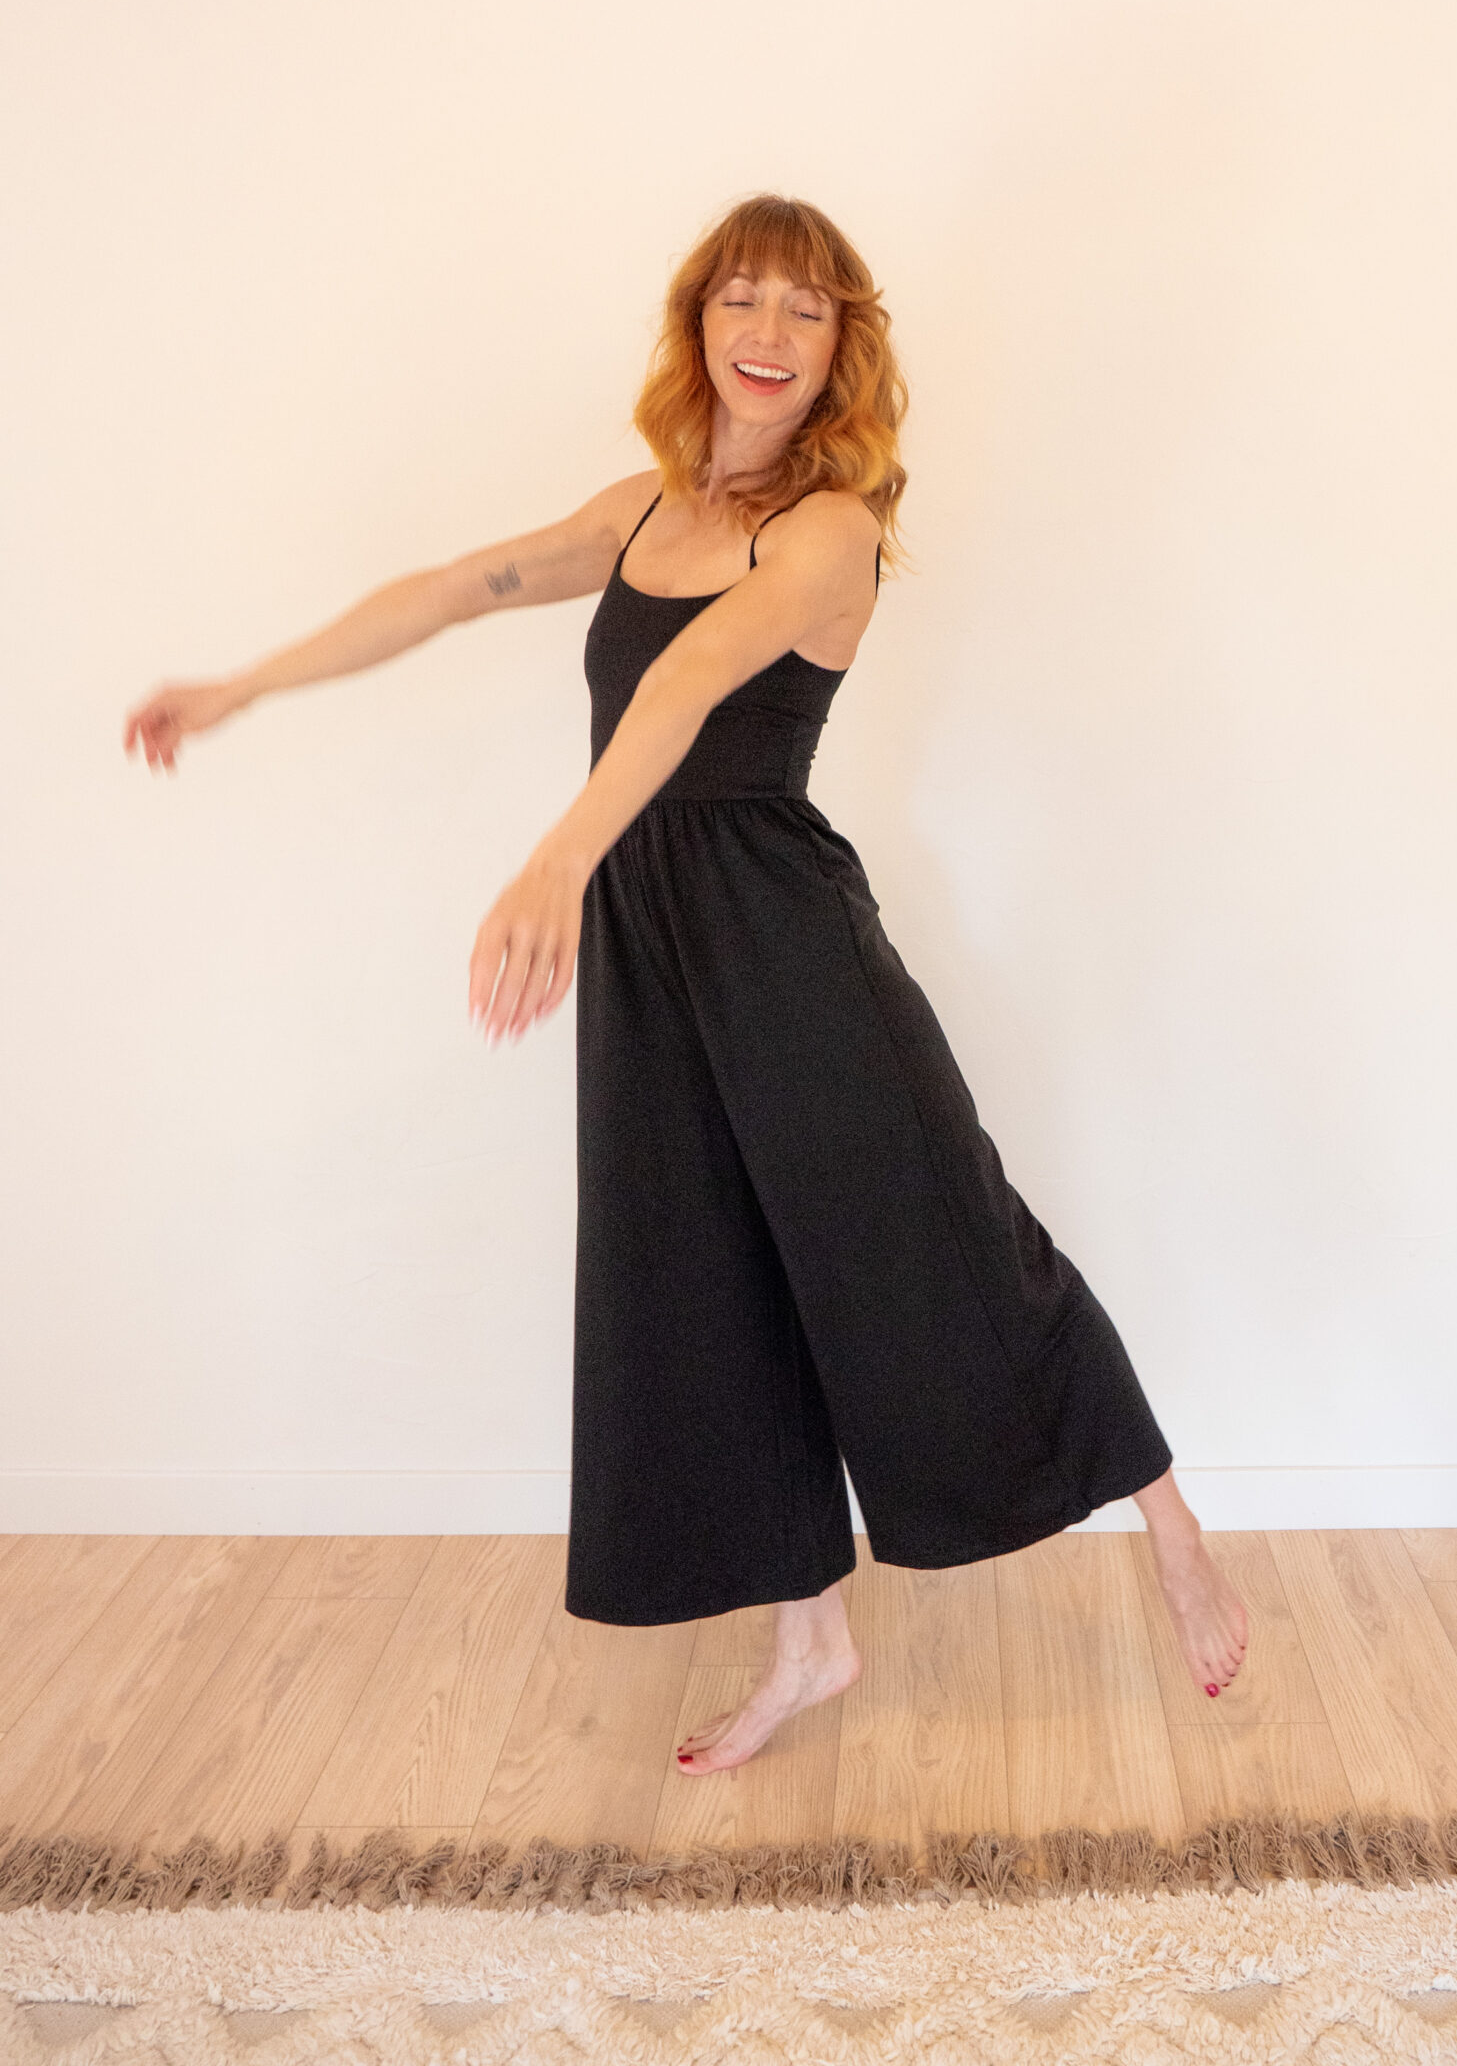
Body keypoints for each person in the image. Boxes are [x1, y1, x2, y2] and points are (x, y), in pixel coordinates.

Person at [124, 192, 1248, 1774]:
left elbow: (689, 680)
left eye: (805, 308)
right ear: (698, 326)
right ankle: (813, 1642)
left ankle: (1168, 1526)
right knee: (708, 1283)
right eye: (742, 301)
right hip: (656, 951)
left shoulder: (831, 528)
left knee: (937, 1231)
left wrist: (555, 861)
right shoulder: (643, 509)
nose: (770, 334)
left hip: (780, 935)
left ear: (842, 345)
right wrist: (243, 687)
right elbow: (456, 584)